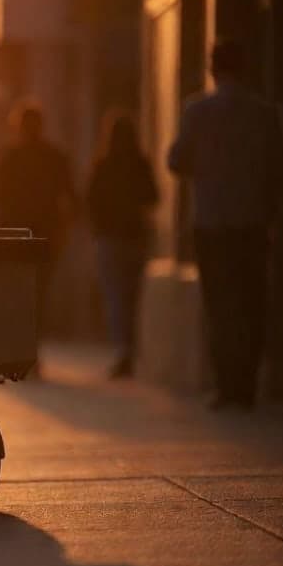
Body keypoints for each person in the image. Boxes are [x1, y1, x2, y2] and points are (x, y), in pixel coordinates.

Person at [168, 38, 283, 410]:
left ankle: (227, 386)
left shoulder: (196, 111)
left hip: (211, 222)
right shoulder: (263, 113)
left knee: (219, 306)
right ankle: (246, 384)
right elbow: (281, 164)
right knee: (252, 302)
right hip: (251, 221)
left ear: (213, 68)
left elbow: (176, 160)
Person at [0, 102, 75, 360]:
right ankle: (32, 350)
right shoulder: (54, 157)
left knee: (17, 293)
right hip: (44, 236)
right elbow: (69, 196)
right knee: (38, 293)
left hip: (16, 237)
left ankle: (22, 350)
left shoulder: (10, 158)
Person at [86, 112, 159, 379]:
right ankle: (130, 349)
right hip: (134, 238)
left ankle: (124, 351)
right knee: (131, 297)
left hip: (109, 240)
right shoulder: (140, 164)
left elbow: (90, 201)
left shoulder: (103, 165)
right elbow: (152, 196)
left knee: (116, 297)